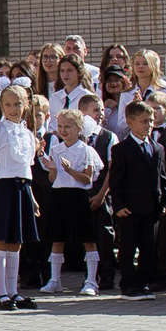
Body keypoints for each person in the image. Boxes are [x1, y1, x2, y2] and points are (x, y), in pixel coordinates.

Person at [0, 82, 43, 310]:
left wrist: (32, 197)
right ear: (1, 106)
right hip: (4, 189)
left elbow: (27, 168)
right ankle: (1, 292)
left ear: (25, 105)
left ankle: (14, 291)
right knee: (2, 241)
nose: (13, 109)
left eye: (17, 104)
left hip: (22, 189)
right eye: (8, 105)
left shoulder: (27, 134)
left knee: (16, 242)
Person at [107, 99, 166, 295]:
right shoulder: (121, 149)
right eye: (144, 121)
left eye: (151, 121)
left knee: (149, 249)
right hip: (130, 209)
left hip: (151, 207)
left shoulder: (157, 148)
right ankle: (128, 285)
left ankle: (143, 282)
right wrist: (118, 206)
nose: (149, 125)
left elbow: (163, 177)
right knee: (128, 248)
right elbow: (116, 181)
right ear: (130, 122)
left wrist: (164, 201)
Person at [40, 109, 102, 296]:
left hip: (78, 197)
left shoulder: (86, 150)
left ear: (79, 128)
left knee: (87, 239)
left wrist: (70, 170)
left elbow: (87, 179)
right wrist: (52, 168)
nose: (63, 130)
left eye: (68, 126)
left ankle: (91, 281)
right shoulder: (56, 149)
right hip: (60, 196)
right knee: (57, 239)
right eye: (60, 126)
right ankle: (54, 280)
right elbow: (53, 178)